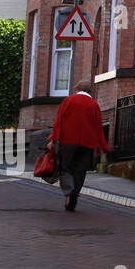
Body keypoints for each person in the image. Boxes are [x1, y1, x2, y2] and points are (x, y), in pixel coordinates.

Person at [46, 82, 109, 212]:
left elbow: (59, 121)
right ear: (90, 91)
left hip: (68, 141)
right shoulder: (94, 105)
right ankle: (75, 191)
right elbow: (98, 127)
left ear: (77, 89)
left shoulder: (69, 100)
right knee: (80, 170)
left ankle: (69, 191)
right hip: (88, 143)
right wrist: (102, 146)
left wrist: (53, 139)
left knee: (66, 168)